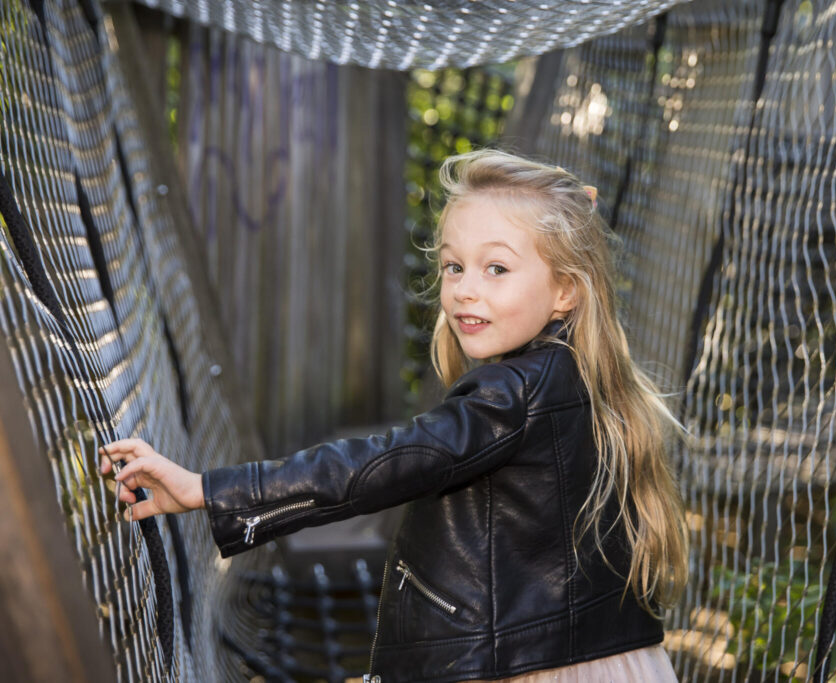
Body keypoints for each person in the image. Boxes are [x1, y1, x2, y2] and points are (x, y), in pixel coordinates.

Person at [101, 149, 689, 682]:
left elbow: (384, 463)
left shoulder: (515, 392)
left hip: (521, 663)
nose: (464, 290)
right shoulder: (576, 375)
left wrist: (210, 490)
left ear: (565, 290)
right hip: (590, 654)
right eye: (455, 267)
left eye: (497, 269)